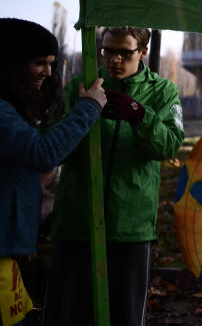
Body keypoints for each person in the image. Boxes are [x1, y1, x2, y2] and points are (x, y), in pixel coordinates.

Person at [43, 27, 184, 326]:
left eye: (125, 52)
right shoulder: (80, 85)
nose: (114, 60)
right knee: (67, 314)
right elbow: (53, 145)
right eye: (108, 51)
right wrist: (82, 112)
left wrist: (140, 116)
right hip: (76, 222)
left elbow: (171, 144)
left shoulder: (162, 91)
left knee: (125, 316)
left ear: (143, 52)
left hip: (130, 226)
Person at [0, 19, 106, 322]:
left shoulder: (12, 107)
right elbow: (42, 153)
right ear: (11, 64)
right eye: (38, 63)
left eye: (51, 63)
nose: (48, 72)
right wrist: (89, 108)